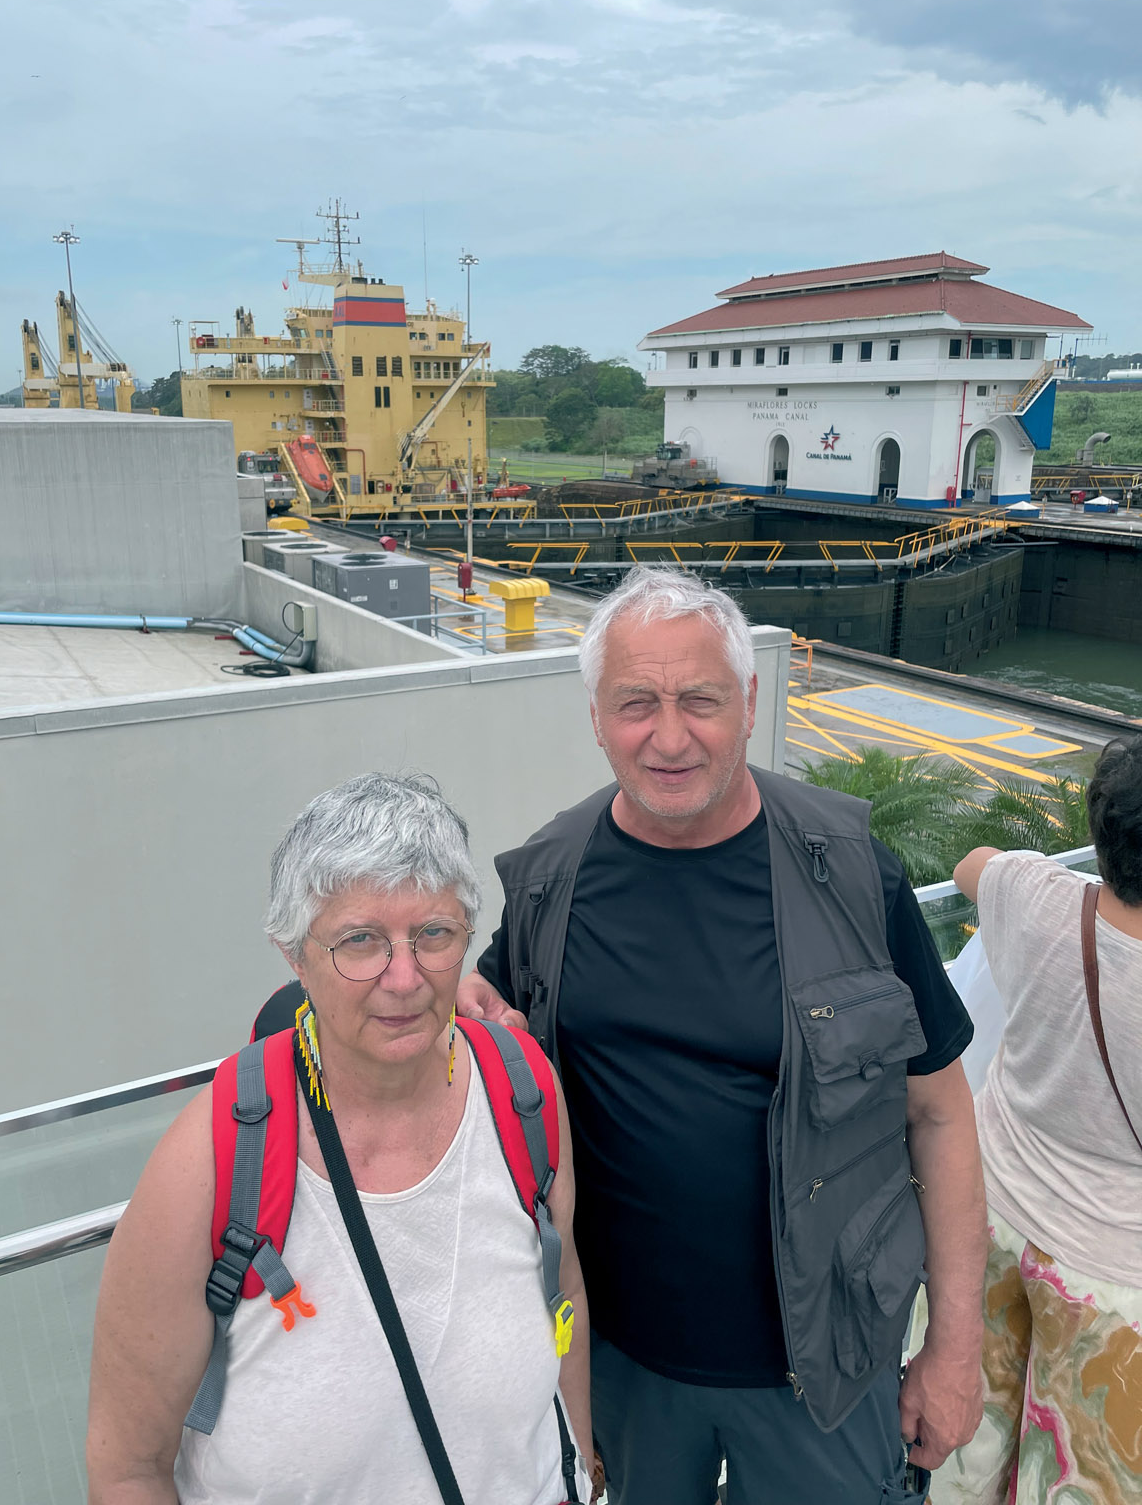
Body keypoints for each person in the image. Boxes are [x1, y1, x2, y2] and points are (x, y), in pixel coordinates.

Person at [458, 565, 986, 1504]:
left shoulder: (852, 875)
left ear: (747, 701)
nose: (669, 737)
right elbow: (486, 1010)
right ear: (596, 718)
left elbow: (939, 1116)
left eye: (699, 700)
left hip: (825, 1366)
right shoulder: (549, 879)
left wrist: (955, 1350)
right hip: (624, 1363)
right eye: (636, 704)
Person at [87, 772, 593, 1504]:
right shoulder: (211, 1162)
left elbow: (562, 1292)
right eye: (360, 941)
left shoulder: (524, 1094)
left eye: (434, 933)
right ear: (294, 955)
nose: (404, 977)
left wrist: (581, 1473)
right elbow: (128, 1467)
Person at [937, 738, 1142, 1504]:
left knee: (965, 1443)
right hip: (1112, 1276)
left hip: (987, 1216)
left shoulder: (1035, 895)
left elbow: (970, 865)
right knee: (1076, 1479)